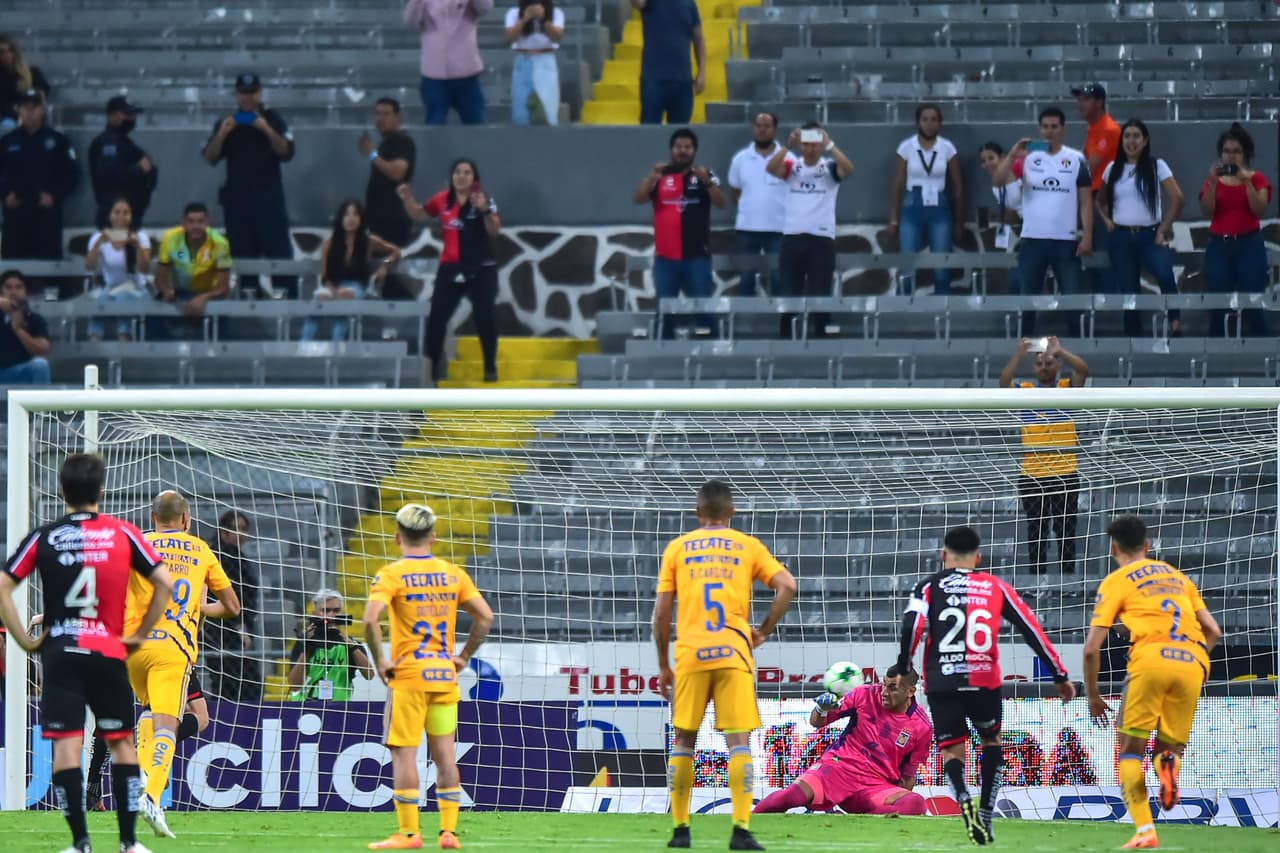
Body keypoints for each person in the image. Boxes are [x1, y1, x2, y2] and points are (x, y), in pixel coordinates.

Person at [0, 453, 174, 853]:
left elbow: (4, 587)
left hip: (60, 652)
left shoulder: (45, 535)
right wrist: (139, 635)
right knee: (122, 744)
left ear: (61, 491)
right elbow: (163, 583)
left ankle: (80, 843)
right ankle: (129, 843)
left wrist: (25, 641)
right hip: (108, 650)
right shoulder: (123, 533)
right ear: (101, 491)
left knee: (67, 747)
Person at [897, 526, 1074, 846]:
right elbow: (1030, 629)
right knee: (991, 743)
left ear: (943, 556)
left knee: (952, 749)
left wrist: (904, 664)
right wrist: (1059, 675)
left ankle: (963, 796)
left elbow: (912, 626)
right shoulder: (995, 586)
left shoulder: (928, 586)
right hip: (983, 680)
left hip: (942, 680)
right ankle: (986, 812)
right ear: (978, 558)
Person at [653, 479, 797, 850]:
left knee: (684, 738)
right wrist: (763, 630)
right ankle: (741, 830)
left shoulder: (679, 548)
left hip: (690, 655)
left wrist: (663, 664)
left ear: (698, 512)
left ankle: (681, 830)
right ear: (732, 511)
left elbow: (661, 612)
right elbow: (788, 586)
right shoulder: (747, 546)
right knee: (738, 741)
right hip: (733, 653)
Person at [1084, 515, 1222, 850]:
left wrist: (1093, 696)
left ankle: (1145, 830)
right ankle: (1168, 766)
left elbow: (1091, 649)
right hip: (1193, 663)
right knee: (1169, 748)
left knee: (1129, 752)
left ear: (1113, 547)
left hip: (1149, 662)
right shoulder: (1178, 578)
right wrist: (1194, 658)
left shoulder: (1117, 581)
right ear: (1147, 546)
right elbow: (1214, 631)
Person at [362, 503, 494, 851]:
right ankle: (449, 832)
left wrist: (381, 661)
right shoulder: (453, 573)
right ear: (433, 536)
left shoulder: (391, 574)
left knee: (405, 756)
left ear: (396, 537)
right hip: (443, 676)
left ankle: (408, 835)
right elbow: (485, 617)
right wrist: (463, 656)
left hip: (409, 677)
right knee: (445, 757)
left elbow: (369, 620)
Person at [128, 490, 241, 839]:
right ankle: (150, 795)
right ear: (186, 519)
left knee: (148, 712)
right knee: (168, 724)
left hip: (133, 646)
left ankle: (144, 771)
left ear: (152, 519)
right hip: (173, 649)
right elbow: (233, 607)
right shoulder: (201, 550)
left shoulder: (136, 544)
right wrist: (198, 608)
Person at [753, 664, 932, 816]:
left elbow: (908, 776)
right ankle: (742, 826)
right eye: (884, 684)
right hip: (836, 769)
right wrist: (821, 709)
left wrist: (894, 807)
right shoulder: (864, 695)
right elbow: (816, 722)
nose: (884, 692)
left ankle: (855, 821)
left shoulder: (922, 727)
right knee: (790, 797)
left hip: (875, 786)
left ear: (910, 691)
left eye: (892, 688)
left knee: (915, 803)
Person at [399, 159, 502, 384]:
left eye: (467, 172)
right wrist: (407, 199)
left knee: (484, 315)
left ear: (475, 179)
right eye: (457, 172)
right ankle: (432, 371)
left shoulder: (485, 200)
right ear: (451, 176)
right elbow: (418, 214)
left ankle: (490, 366)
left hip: (482, 268)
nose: (462, 176)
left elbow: (494, 230)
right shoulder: (441, 199)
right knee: (436, 318)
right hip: (451, 267)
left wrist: (484, 210)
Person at [991, 108, 1092, 331]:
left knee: (1072, 300)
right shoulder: (1027, 159)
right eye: (1045, 127)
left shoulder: (1076, 159)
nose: (1049, 132)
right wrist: (1012, 155)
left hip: (1065, 241)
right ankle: (1026, 350)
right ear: (1039, 128)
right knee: (1028, 301)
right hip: (1032, 240)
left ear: (1063, 129)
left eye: (1054, 127)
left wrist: (1088, 236)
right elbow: (998, 181)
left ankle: (1076, 351)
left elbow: (1085, 202)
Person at [999, 336, 1089, 575]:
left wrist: (1061, 350)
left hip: (1065, 473)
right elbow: (1004, 382)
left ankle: (1067, 580)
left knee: (1065, 529)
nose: (1045, 367)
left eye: (1049, 363)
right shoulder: (1026, 392)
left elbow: (1083, 369)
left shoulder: (1067, 389)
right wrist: (1019, 354)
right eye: (1039, 364)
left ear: (1057, 366)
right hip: (1032, 474)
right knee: (1036, 530)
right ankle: (1036, 580)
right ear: (1033, 368)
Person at [201, 72, 296, 298]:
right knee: (243, 255)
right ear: (236, 95)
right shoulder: (226, 122)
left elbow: (286, 152)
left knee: (280, 253)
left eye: (252, 93)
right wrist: (223, 133)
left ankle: (286, 297)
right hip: (238, 203)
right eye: (243, 93)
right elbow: (210, 158)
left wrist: (265, 129)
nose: (248, 98)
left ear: (260, 93)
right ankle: (248, 294)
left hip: (269, 200)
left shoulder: (273, 119)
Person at [632, 128, 726, 337]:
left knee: (703, 309)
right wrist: (650, 178)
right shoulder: (659, 175)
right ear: (671, 150)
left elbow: (721, 203)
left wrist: (707, 181)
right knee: (665, 314)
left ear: (694, 150)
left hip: (697, 258)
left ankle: (711, 351)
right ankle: (663, 355)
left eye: (687, 147)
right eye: (678, 147)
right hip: (665, 259)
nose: (682, 151)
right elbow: (637, 199)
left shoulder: (706, 174)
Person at [1096, 119, 1184, 337]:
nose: (1131, 141)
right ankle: (1132, 338)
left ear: (1145, 141)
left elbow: (1177, 198)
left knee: (1165, 275)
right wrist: (1107, 221)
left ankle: (1175, 322)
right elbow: (1100, 201)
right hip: (1121, 238)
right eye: (1127, 136)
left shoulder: (1157, 166)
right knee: (1129, 291)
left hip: (1150, 235)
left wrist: (1163, 228)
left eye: (1136, 136)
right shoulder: (1112, 168)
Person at [767, 122, 854, 337]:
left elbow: (849, 169)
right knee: (790, 291)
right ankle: (787, 336)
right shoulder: (791, 166)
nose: (810, 149)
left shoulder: (830, 167)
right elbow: (770, 168)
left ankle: (821, 335)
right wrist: (787, 145)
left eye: (814, 144)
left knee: (821, 289)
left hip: (821, 238)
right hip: (792, 238)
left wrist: (829, 144)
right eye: (806, 144)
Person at [1199, 122, 1272, 338]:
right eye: (1227, 151)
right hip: (1219, 244)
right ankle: (1215, 350)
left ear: (1245, 153)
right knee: (1218, 302)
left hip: (1249, 244)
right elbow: (1207, 210)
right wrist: (1212, 182)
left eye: (1236, 151)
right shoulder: (1213, 181)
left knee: (1252, 300)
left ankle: (1261, 348)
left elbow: (1259, 209)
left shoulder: (1257, 178)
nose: (1231, 156)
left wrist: (1246, 183)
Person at [887, 104, 965, 295]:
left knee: (941, 261)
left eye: (933, 119)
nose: (929, 124)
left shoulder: (947, 147)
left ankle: (942, 306)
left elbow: (958, 186)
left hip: (939, 203)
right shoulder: (907, 146)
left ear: (940, 123)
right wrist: (894, 219)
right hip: (912, 203)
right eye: (925, 119)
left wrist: (959, 222)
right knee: (907, 260)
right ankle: (904, 307)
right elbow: (897, 183)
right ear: (917, 122)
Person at [300, 200, 400, 342]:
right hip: (331, 284)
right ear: (341, 219)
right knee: (319, 300)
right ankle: (303, 347)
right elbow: (324, 275)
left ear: (361, 219)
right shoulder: (330, 243)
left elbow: (395, 251)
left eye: (355, 215)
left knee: (344, 299)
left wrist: (385, 264)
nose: (351, 219)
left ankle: (337, 348)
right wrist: (332, 289)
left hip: (355, 286)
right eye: (347, 215)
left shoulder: (369, 241)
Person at [0, 89, 78, 262]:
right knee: (14, 271)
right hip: (15, 217)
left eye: (34, 107)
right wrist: (5, 195)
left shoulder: (58, 141)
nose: (29, 111)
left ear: (42, 110)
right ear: (18, 110)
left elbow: (72, 176)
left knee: (47, 270)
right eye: (25, 107)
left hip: (46, 218)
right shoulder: (7, 142)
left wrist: (54, 196)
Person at [404, 0, 493, 126]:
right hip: (434, 77)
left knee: (478, 127)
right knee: (434, 128)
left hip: (467, 76)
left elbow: (485, 8)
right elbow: (411, 21)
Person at [203, 509, 262, 702]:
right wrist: (240, 627)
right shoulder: (221, 556)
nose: (242, 534)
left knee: (239, 680)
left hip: (230, 627)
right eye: (237, 528)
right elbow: (228, 594)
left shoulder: (236, 556)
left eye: (244, 529)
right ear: (223, 531)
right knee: (231, 680)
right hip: (223, 629)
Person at [727, 112, 785, 296]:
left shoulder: (787, 158)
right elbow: (735, 191)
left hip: (778, 229)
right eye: (758, 125)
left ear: (774, 130)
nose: (762, 130)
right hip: (747, 230)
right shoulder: (740, 159)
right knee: (745, 280)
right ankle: (744, 323)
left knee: (779, 280)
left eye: (767, 126)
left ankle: (781, 324)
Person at [1072, 82, 1121, 293]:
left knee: (1103, 255)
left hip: (1103, 200)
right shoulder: (1093, 128)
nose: (1080, 104)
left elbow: (1088, 167)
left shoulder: (1108, 129)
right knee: (1093, 255)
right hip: (1091, 198)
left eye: (1086, 99)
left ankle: (1110, 310)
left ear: (1099, 102)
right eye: (1079, 99)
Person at [85, 196, 151, 341]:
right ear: (109, 215)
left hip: (136, 289)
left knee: (123, 297)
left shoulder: (140, 235)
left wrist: (137, 246)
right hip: (111, 287)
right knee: (100, 300)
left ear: (132, 216)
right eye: (117, 212)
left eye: (126, 212)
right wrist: (98, 244)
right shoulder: (98, 236)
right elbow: (89, 266)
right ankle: (94, 341)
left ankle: (124, 339)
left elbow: (145, 269)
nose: (121, 217)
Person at [288, 589, 374, 700]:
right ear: (315, 614)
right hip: (305, 707)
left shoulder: (351, 644)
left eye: (336, 610)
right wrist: (307, 647)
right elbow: (294, 686)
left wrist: (350, 645)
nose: (331, 615)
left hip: (339, 708)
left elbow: (369, 675)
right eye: (326, 610)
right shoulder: (304, 643)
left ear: (342, 614)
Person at [154, 202, 233, 323]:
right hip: (178, 295)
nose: (195, 226)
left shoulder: (220, 243)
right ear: (184, 223)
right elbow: (159, 279)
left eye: (200, 221)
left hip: (210, 296)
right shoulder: (170, 239)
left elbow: (223, 288)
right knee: (157, 313)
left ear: (207, 223)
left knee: (222, 313)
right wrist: (166, 291)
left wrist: (203, 298)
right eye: (191, 222)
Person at [88, 95, 157, 229]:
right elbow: (109, 176)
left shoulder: (124, 142)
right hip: (115, 216)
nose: (131, 118)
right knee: (115, 249)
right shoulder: (108, 142)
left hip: (129, 214)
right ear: (112, 115)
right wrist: (139, 170)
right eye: (126, 114)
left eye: (132, 114)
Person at [631, 0, 705, 125]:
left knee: (679, 135)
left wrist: (702, 72)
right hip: (653, 80)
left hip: (683, 82)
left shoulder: (689, 4)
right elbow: (637, 2)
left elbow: (698, 39)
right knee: (649, 133)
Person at [359, 98, 417, 250]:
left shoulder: (402, 141)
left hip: (393, 221)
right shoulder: (385, 144)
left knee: (390, 266)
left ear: (397, 117)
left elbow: (397, 173)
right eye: (377, 114)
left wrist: (372, 154)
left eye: (386, 114)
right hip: (378, 220)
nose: (380, 119)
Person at [505, 0, 565, 126]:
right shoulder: (513, 13)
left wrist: (543, 19)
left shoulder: (556, 13)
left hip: (545, 62)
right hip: (523, 61)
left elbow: (557, 36)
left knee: (548, 114)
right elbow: (508, 38)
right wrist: (526, 18)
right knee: (520, 116)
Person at [979, 142, 1022, 293]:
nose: (987, 164)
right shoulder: (995, 185)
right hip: (1016, 231)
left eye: (991, 158)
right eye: (983, 161)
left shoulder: (1017, 173)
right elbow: (1009, 209)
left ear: (1003, 157)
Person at [0, 268, 51, 384]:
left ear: (26, 292)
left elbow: (43, 350)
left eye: (18, 287)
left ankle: (40, 402)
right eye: (8, 287)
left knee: (40, 365)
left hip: (19, 372)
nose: (13, 292)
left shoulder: (34, 319)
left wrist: (18, 329)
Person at [0, 33, 50, 129]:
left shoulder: (32, 73)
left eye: (10, 51)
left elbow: (41, 96)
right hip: (6, 120)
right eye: (2, 52)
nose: (6, 55)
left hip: (30, 119)